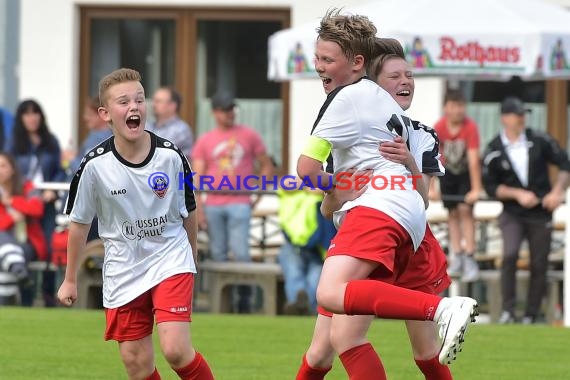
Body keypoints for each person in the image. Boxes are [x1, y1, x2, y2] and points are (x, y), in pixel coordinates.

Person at [296, 10, 477, 379]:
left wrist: (408, 165)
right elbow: (332, 203)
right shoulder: (366, 119)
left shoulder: (381, 116)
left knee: (335, 305)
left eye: (409, 75)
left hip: (386, 220)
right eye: (394, 76)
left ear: (358, 66)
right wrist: (339, 191)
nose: (404, 81)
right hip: (392, 221)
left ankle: (442, 309)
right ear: (378, 82)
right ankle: (439, 309)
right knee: (331, 344)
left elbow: (307, 172)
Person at [57, 68, 214, 380]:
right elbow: (78, 223)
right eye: (123, 101)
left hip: (170, 257)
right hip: (123, 267)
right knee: (136, 364)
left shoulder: (170, 156)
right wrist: (70, 278)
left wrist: (191, 257)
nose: (134, 107)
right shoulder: (93, 167)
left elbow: (189, 210)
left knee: (176, 350)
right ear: (105, 114)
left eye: (139, 100)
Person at [482, 96, 570, 325]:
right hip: (512, 212)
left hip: (541, 212)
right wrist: (516, 194)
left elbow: (564, 163)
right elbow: (490, 186)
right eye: (517, 114)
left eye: (523, 114)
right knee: (509, 255)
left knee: (539, 262)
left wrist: (557, 192)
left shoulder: (540, 139)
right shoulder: (494, 149)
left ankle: (531, 314)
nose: (522, 118)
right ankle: (508, 311)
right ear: (505, 118)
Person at [191, 90, 273, 313]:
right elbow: (197, 176)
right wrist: (198, 206)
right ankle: (222, 304)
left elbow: (265, 163)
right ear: (215, 112)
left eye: (232, 108)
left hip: (239, 201)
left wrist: (259, 192)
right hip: (214, 203)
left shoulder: (249, 135)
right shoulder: (205, 140)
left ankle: (244, 302)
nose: (230, 113)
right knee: (217, 253)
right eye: (225, 109)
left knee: (241, 253)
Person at [8, 99, 66, 307]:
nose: (32, 118)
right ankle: (26, 297)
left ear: (40, 117)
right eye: (27, 114)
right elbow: (9, 171)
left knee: (51, 247)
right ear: (21, 118)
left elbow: (60, 171)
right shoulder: (13, 143)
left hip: (47, 203)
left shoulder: (50, 141)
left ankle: (50, 296)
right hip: (24, 203)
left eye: (35, 113)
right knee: (26, 247)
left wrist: (52, 188)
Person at [432, 89, 482, 282]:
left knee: (465, 210)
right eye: (453, 106)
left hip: (465, 173)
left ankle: (469, 255)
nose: (457, 111)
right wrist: (432, 188)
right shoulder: (439, 127)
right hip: (448, 173)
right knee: (452, 213)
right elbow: (433, 157)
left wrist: (476, 188)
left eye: (460, 106)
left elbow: (474, 160)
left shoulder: (470, 127)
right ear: (445, 107)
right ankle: (458, 254)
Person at [277, 179, 336, 315]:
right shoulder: (293, 192)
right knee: (294, 272)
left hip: (319, 248)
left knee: (314, 277)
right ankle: (303, 305)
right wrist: (307, 186)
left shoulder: (327, 194)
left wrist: (322, 188)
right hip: (295, 245)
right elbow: (283, 184)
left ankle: (299, 305)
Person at [0, 152, 47, 306]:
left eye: (3, 166)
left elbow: (37, 208)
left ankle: (6, 305)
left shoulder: (28, 187)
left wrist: (11, 201)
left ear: (13, 169)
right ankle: (18, 268)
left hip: (27, 244)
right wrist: (11, 218)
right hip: (6, 245)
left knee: (4, 254)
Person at [66, 95, 113, 175]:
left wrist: (71, 159)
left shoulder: (105, 141)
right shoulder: (93, 135)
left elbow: (89, 173)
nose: (85, 118)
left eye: (90, 114)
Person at [146, 87, 193, 159]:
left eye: (158, 101)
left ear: (172, 106)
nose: (153, 105)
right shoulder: (148, 125)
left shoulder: (181, 130)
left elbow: (160, 153)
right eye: (154, 101)